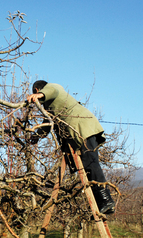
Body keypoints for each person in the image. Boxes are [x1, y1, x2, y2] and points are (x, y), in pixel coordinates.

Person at [27, 80, 115, 214]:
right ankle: (101, 205)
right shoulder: (51, 107)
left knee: (91, 164)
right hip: (80, 133)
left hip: (84, 128)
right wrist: (37, 136)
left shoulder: (52, 88)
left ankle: (106, 200)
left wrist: (39, 96)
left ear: (37, 90)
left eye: (36, 94)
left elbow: (53, 89)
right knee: (87, 168)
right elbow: (47, 123)